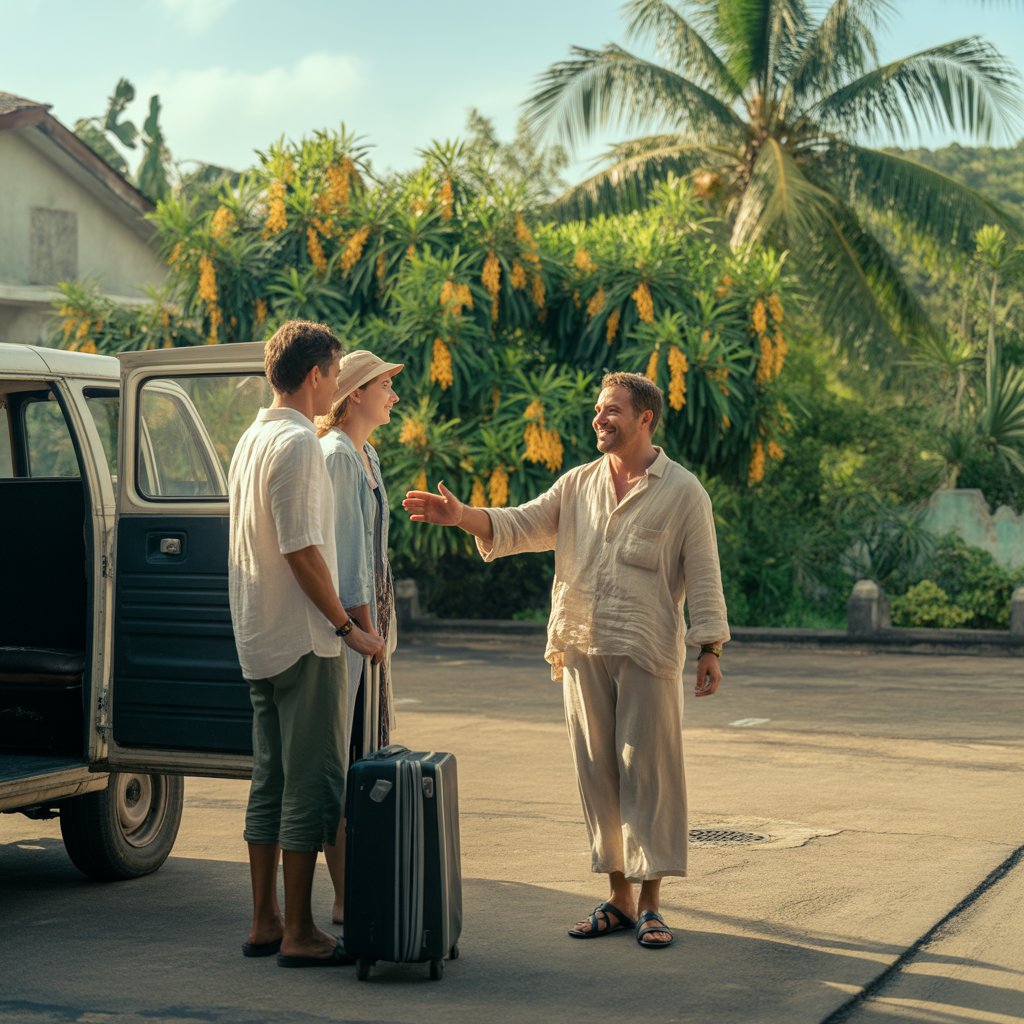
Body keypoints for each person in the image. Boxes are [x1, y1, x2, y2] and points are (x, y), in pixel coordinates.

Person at [402, 371, 729, 950]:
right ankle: (619, 899)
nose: (600, 419)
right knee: (597, 774)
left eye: (612, 411)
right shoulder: (577, 484)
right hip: (580, 643)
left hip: (647, 648)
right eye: (599, 410)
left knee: (649, 775)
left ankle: (652, 904)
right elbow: (519, 524)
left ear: (646, 418)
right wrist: (463, 516)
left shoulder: (684, 492)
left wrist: (709, 648)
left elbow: (703, 573)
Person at [228, 320, 383, 968]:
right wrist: (348, 630)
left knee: (269, 783)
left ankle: (265, 922)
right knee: (312, 787)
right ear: (317, 374)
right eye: (336, 370)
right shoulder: (296, 443)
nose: (337, 382)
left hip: (260, 638)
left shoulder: (251, 439)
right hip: (304, 643)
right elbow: (302, 551)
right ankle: (299, 932)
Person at [316, 349, 404, 927]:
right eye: (384, 387)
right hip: (349, 640)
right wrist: (364, 635)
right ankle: (346, 899)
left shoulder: (366, 454)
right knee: (344, 766)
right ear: (355, 395)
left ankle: (358, 891)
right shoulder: (339, 458)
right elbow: (347, 563)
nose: (394, 396)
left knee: (364, 759)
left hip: (371, 638)